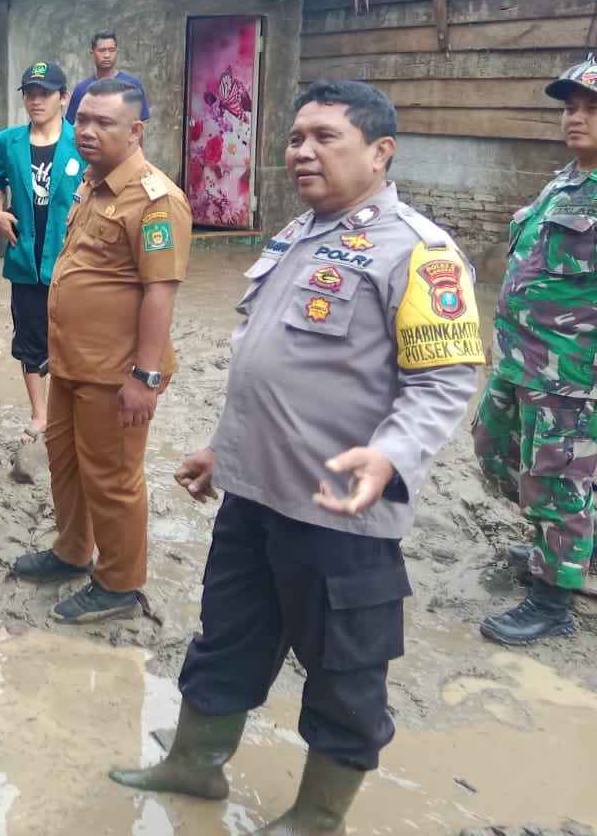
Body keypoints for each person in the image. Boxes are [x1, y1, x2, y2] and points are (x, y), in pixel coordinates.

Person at [111, 80, 483, 832]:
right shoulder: (299, 234)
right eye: (295, 137)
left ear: (380, 152)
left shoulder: (419, 252)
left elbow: (445, 383)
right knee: (227, 635)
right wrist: (225, 450)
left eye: (325, 138)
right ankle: (196, 763)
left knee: (345, 670)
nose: (302, 152)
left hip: (340, 508)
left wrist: (390, 457)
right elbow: (270, 368)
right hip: (254, 494)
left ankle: (317, 816)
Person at [15, 78, 191, 623]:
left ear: (136, 130)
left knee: (113, 477)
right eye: (82, 120)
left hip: (116, 373)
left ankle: (118, 583)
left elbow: (160, 291)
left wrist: (146, 376)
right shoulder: (92, 183)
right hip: (71, 363)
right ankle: (72, 552)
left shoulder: (156, 200)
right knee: (65, 464)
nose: (86, 131)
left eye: (103, 123)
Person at [473, 54, 597, 644]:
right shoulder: (566, 180)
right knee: (493, 447)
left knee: (559, 478)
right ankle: (566, 542)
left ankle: (553, 602)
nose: (576, 118)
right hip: (519, 360)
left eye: (592, 108)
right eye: (571, 107)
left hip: (571, 372)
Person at [0, 61, 84, 440]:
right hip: (25, 256)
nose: (37, 100)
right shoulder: (8, 141)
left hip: (70, 260)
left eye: (45, 93)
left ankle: (66, 413)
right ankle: (40, 415)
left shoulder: (81, 141)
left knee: (70, 339)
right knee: (29, 338)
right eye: (30, 93)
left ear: (63, 97)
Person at [66, 32, 151, 124]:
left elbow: (140, 123)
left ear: (117, 52)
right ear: (92, 53)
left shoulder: (132, 85)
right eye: (102, 50)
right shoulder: (81, 89)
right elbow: (71, 124)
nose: (107, 55)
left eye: (111, 50)